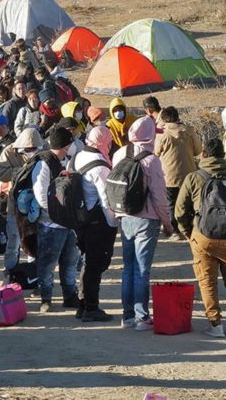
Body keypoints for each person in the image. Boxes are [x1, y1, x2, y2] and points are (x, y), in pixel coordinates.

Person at [113, 117, 172, 331]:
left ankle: (127, 317)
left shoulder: (119, 153)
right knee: (142, 270)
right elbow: (159, 197)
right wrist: (167, 223)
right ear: (150, 135)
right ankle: (142, 317)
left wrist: (115, 214)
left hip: (124, 216)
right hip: (147, 220)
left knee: (128, 268)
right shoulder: (152, 160)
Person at [175, 138, 226, 338]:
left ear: (203, 154)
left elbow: (180, 211)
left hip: (203, 236)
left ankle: (216, 325)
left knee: (207, 281)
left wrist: (189, 233)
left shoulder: (194, 177)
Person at [31, 127, 81, 313]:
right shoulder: (43, 165)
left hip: (69, 224)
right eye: (70, 143)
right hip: (51, 224)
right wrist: (60, 213)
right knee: (47, 264)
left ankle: (70, 295)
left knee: (70, 262)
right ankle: (46, 298)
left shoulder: (67, 161)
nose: (73, 146)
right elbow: (41, 196)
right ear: (64, 145)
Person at [73, 127, 117, 322]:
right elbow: (106, 199)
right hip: (97, 222)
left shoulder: (79, 155)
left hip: (81, 220)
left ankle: (82, 305)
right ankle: (91, 307)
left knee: (87, 262)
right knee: (95, 264)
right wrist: (114, 223)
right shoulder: (101, 167)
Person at [0, 128, 44, 279]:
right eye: (28, 149)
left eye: (34, 149)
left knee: (35, 242)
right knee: (13, 242)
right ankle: (10, 275)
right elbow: (0, 173)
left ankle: (35, 276)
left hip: (37, 205)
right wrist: (23, 171)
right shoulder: (9, 152)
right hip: (15, 206)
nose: (31, 152)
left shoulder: (44, 150)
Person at [155, 106, 202, 241]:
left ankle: (174, 230)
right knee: (189, 202)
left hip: (169, 176)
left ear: (164, 119)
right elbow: (198, 150)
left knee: (171, 202)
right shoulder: (189, 130)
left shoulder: (162, 134)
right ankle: (190, 229)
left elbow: (156, 152)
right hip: (189, 175)